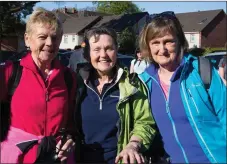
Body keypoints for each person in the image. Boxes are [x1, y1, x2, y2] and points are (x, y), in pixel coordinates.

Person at [138, 11, 226, 163]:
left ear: (179, 41)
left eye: (168, 41)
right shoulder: (146, 82)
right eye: (155, 43)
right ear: (148, 46)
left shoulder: (201, 72)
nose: (162, 49)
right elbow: (145, 125)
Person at [0, 8, 76, 163]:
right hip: (19, 157)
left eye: (55, 38)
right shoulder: (10, 73)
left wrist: (70, 139)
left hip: (58, 158)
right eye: (43, 37)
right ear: (27, 39)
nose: (49, 43)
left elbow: (72, 122)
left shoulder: (69, 77)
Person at [74, 27, 156, 164]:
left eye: (108, 48)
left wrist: (133, 144)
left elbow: (145, 122)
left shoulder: (132, 85)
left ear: (116, 50)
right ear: (88, 54)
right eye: (96, 49)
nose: (103, 54)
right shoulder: (77, 84)